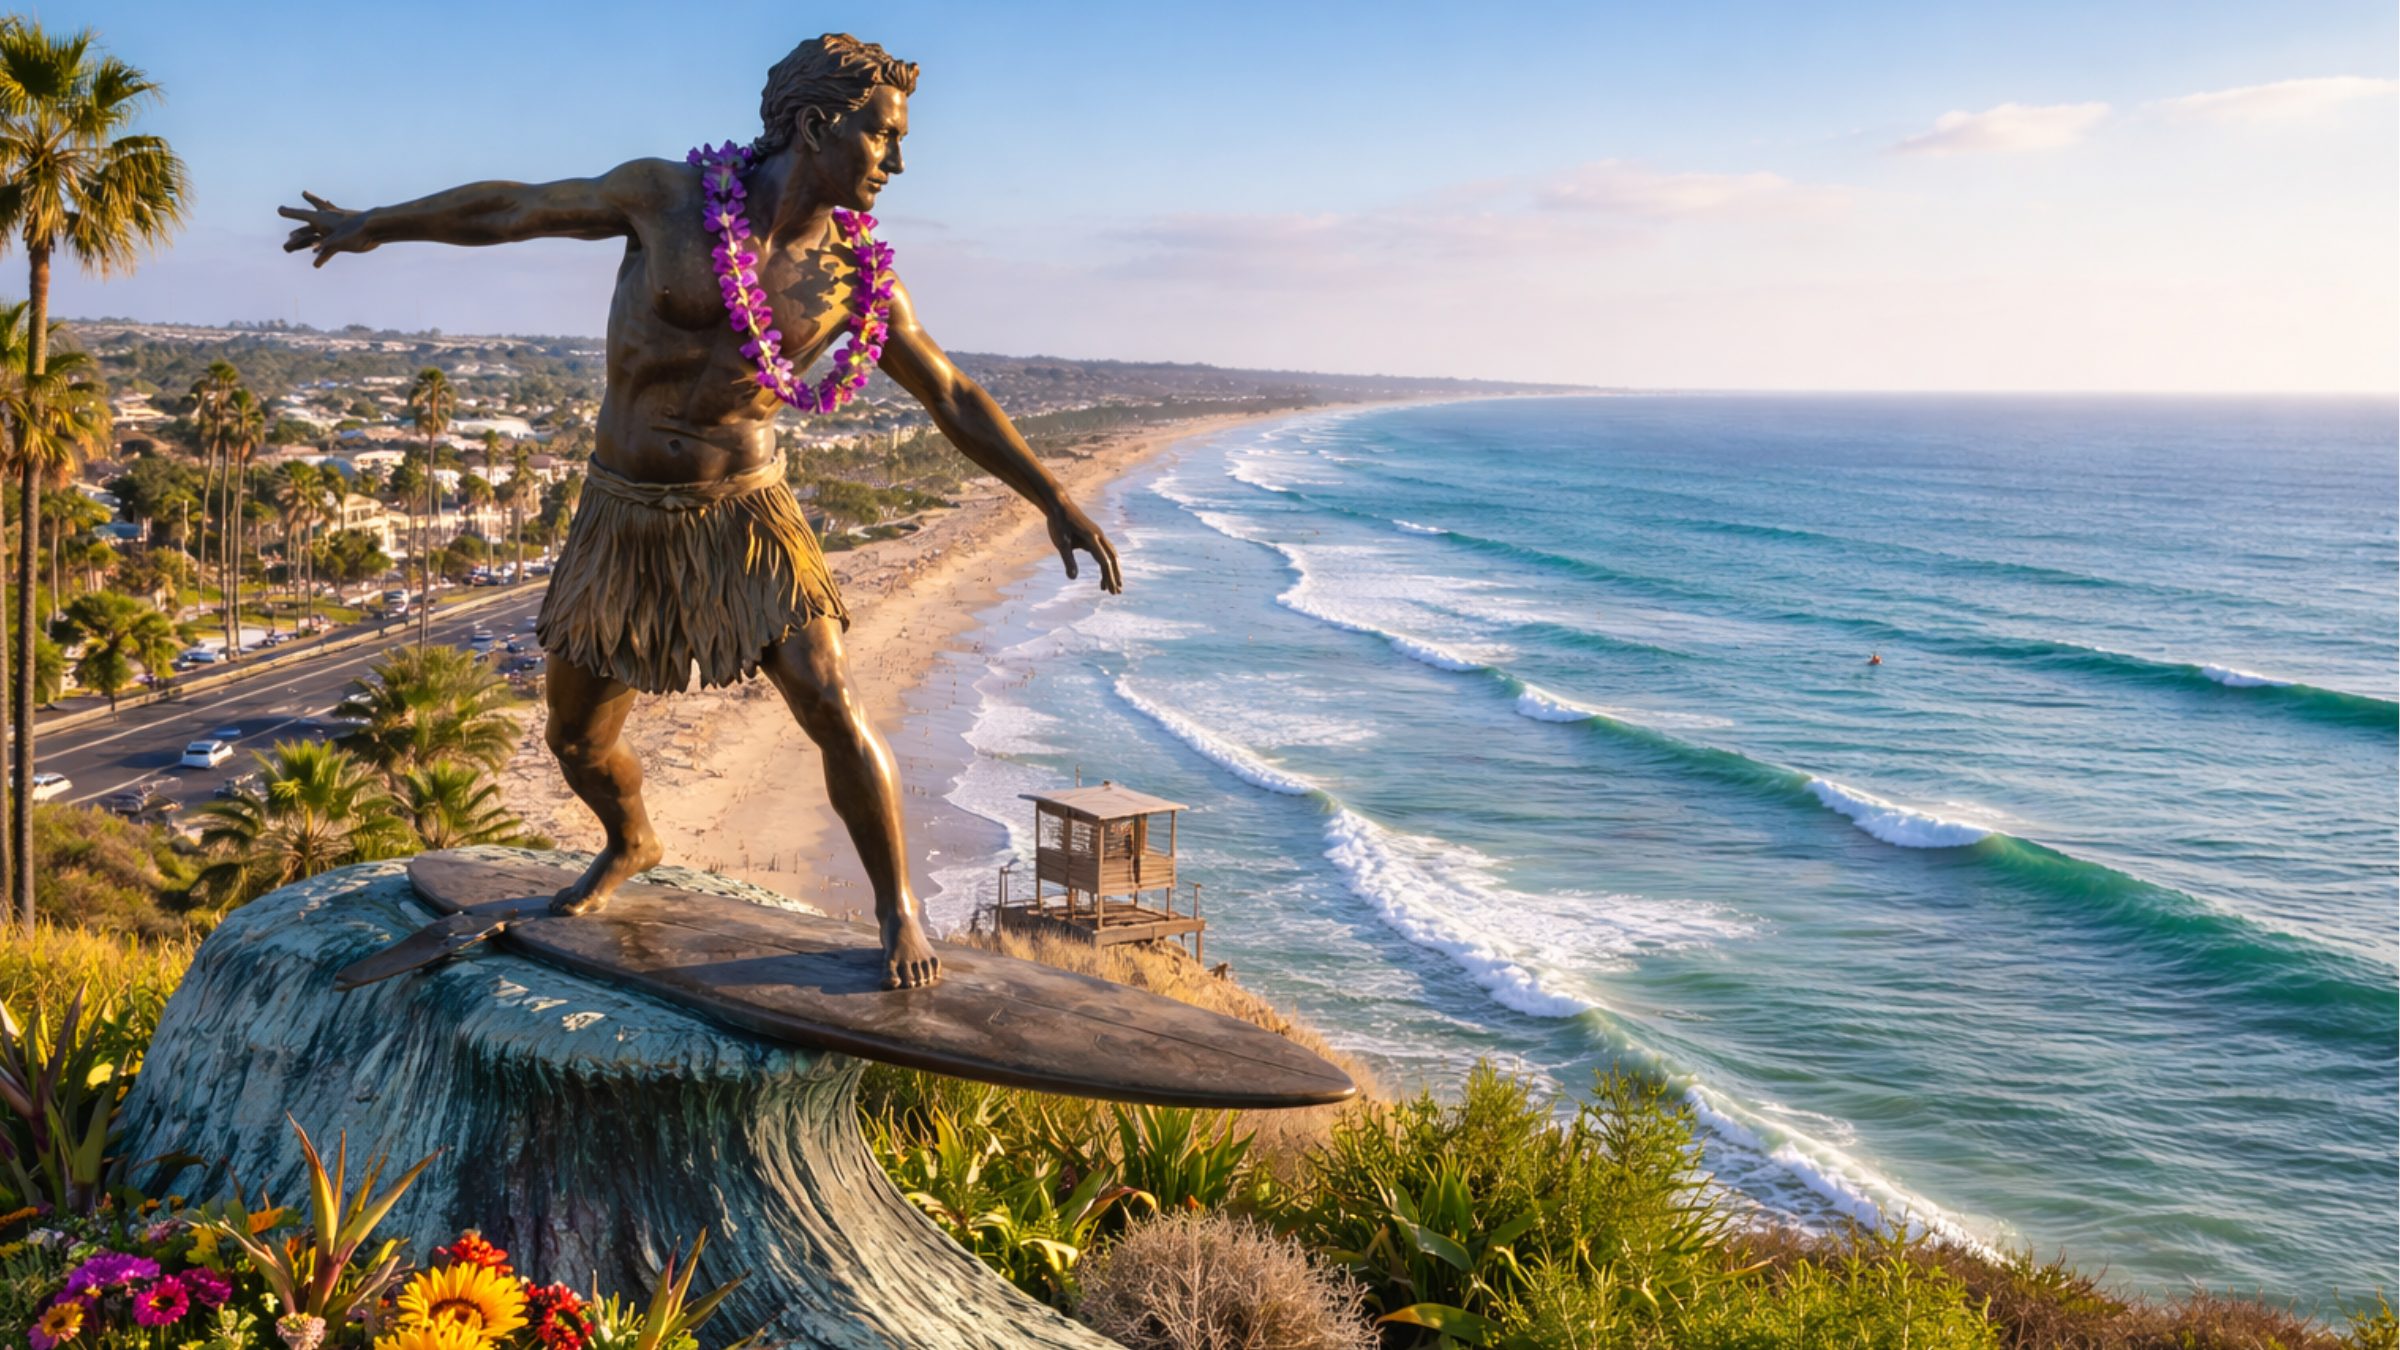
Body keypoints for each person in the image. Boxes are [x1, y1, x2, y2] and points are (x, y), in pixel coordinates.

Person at [278, 33, 1121, 989]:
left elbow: (952, 395)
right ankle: (631, 840)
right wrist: (377, 222)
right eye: (884, 137)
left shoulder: (857, 278)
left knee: (831, 701)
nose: (898, 162)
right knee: (576, 741)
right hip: (622, 513)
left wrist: (1052, 496)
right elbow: (517, 207)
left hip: (747, 515)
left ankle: (900, 911)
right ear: (816, 124)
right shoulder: (665, 198)